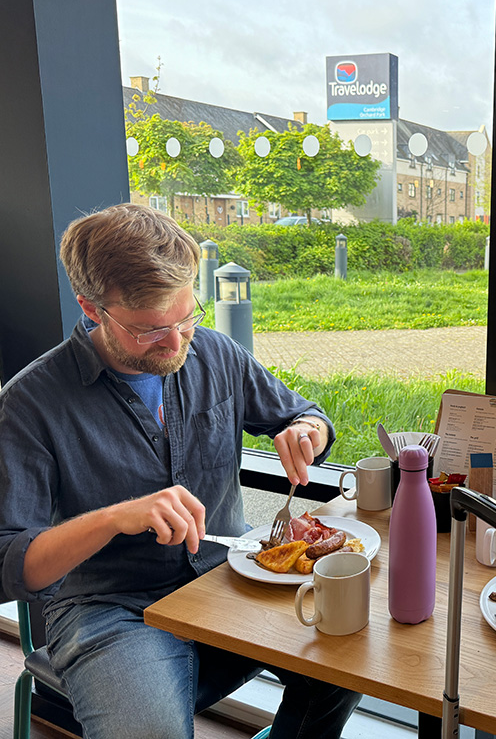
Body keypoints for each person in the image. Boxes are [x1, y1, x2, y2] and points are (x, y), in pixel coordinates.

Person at [0, 204, 361, 738]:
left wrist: (309, 430)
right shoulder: (29, 404)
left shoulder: (214, 353)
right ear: (92, 309)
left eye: (187, 316)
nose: (176, 343)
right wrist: (114, 518)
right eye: (149, 329)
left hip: (229, 579)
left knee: (349, 649)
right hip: (112, 609)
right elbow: (10, 564)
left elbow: (305, 415)